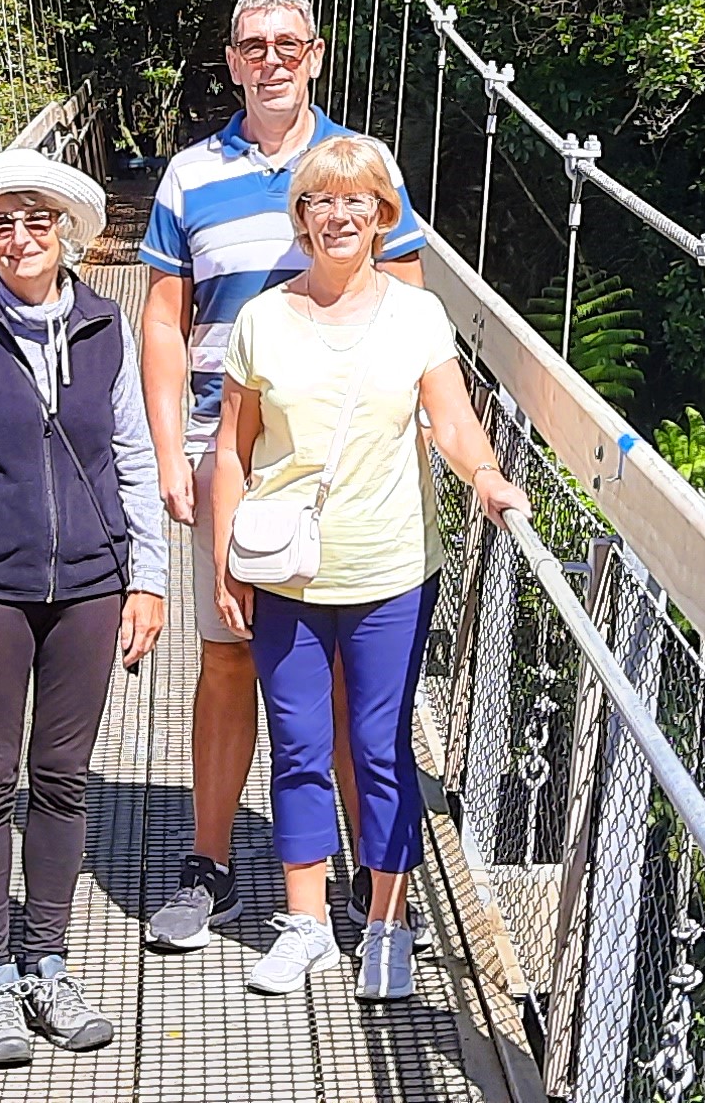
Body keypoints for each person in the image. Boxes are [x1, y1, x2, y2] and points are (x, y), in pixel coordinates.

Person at [138, 0, 433, 953]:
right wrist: (168, 448)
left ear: (314, 55)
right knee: (226, 659)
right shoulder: (188, 177)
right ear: (230, 60)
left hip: (345, 478)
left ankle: (362, 882)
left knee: (346, 685)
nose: (270, 58)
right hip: (232, 465)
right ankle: (211, 865)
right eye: (252, 44)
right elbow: (164, 324)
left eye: (288, 43)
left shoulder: (358, 166)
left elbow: (411, 308)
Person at [208, 134, 528, 1000]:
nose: (339, 215)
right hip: (287, 576)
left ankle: (386, 925)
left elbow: (452, 424)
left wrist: (490, 478)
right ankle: (305, 922)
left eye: (358, 202)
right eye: (321, 202)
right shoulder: (262, 320)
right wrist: (222, 558)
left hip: (391, 571)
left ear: (383, 216)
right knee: (301, 747)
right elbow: (231, 453)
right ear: (301, 218)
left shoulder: (416, 316)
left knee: (380, 749)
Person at [0, 148, 169, 1067]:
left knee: (61, 778)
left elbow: (132, 454)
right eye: (2, 224)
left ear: (71, 238)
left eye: (37, 220)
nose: (20, 237)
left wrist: (151, 578)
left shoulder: (106, 328)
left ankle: (48, 960)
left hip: (92, 586)